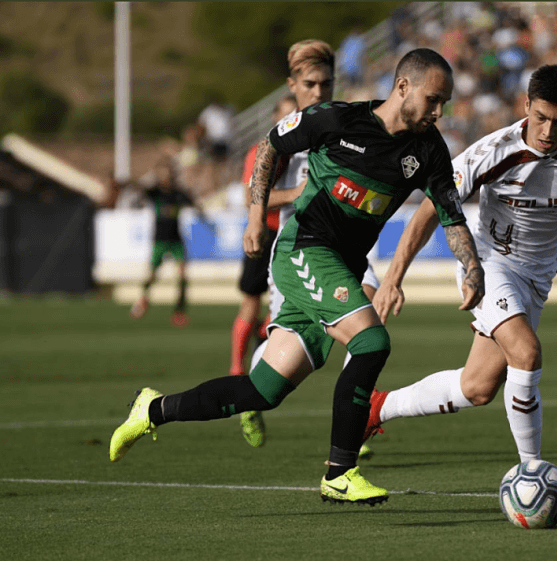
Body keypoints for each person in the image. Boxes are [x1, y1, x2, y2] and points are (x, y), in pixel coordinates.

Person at [109, 48, 485, 506]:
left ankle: (150, 409)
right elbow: (270, 145)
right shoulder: (337, 120)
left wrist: (472, 266)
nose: (438, 111)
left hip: (338, 267)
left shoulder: (428, 149)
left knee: (261, 391)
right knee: (372, 342)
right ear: (402, 86)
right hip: (302, 251)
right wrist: (253, 217)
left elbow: (450, 214)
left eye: (444, 102)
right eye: (433, 99)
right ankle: (340, 472)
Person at [365, 65, 557, 463]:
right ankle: (532, 472)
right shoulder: (494, 150)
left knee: (477, 387)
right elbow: (430, 208)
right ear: (526, 105)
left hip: (538, 277)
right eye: (540, 117)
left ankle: (375, 409)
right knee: (526, 354)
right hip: (489, 264)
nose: (546, 131)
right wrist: (393, 278)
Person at [230, 40, 381, 449]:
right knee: (291, 341)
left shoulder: (344, 123)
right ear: (293, 85)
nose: (319, 92)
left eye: (326, 84)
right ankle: (249, 387)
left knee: (371, 308)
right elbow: (254, 190)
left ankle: (357, 414)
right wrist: (273, 210)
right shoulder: (285, 136)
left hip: (345, 243)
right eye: (311, 84)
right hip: (298, 245)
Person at [130, 157, 208, 327]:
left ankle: (179, 311)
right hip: (159, 239)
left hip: (176, 240)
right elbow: (137, 189)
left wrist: (203, 213)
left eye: (168, 172)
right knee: (152, 275)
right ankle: (143, 300)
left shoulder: (178, 193)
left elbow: (194, 203)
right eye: (162, 173)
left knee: (182, 275)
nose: (166, 176)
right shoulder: (155, 192)